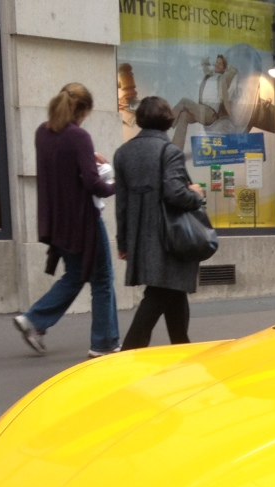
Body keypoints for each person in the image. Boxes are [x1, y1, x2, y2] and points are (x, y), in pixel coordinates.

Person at [13, 83, 120, 357]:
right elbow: (93, 183)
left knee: (75, 275)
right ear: (82, 111)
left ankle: (35, 320)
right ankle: (104, 343)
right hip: (83, 221)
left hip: (56, 218)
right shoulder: (79, 137)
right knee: (102, 280)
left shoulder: (43, 132)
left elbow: (60, 169)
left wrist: (86, 157)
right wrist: (120, 184)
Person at [114, 95, 207, 350]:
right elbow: (176, 193)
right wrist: (197, 194)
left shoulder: (123, 153)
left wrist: (123, 242)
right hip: (169, 238)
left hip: (140, 238)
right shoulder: (170, 152)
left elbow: (120, 204)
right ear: (168, 120)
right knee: (158, 294)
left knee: (172, 290)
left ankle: (182, 345)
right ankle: (130, 349)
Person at [171, 54, 237, 150]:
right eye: (217, 62)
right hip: (201, 110)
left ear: (224, 68)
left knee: (184, 101)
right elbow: (206, 70)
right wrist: (205, 64)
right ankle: (175, 151)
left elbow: (232, 73)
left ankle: (166, 122)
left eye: (220, 64)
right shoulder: (209, 77)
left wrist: (231, 117)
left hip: (210, 113)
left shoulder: (222, 78)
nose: (217, 64)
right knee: (183, 115)